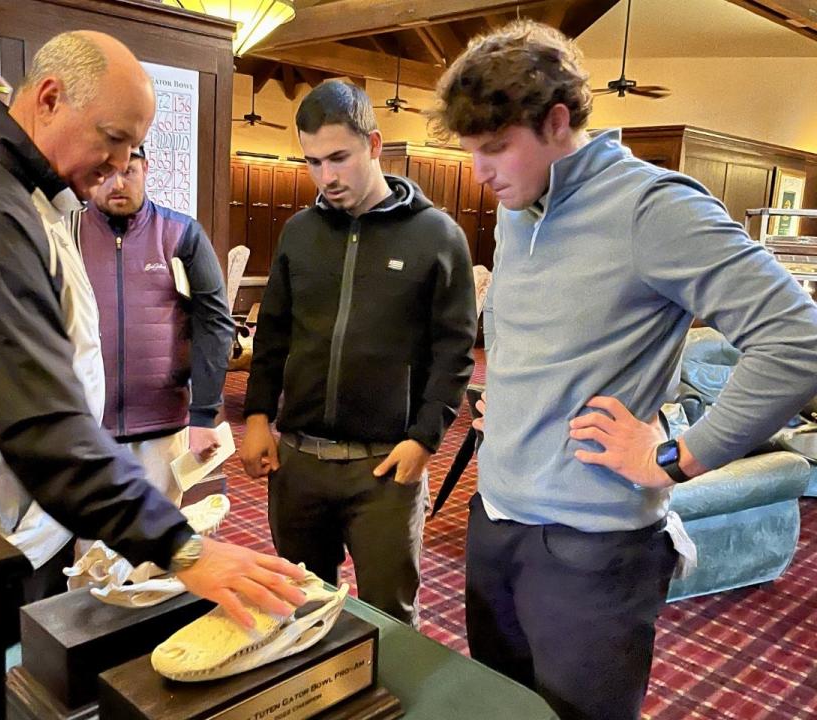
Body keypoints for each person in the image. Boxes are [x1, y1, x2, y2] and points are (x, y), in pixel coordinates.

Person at [429, 19, 817, 720]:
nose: (479, 172)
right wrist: (511, 401)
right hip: (493, 522)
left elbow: (798, 340)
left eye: (494, 149)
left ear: (555, 122)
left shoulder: (654, 208)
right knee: (500, 709)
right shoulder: (521, 207)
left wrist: (675, 455)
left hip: (592, 550)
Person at [0, 30, 305, 627]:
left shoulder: (27, 188)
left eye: (134, 148)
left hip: (34, 513)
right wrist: (181, 547)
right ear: (49, 98)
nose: (122, 165)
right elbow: (38, 421)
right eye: (113, 139)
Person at [240, 80, 477, 626]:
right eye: (313, 162)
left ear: (373, 145)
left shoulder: (437, 236)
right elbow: (273, 334)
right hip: (297, 463)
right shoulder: (300, 233)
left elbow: (455, 352)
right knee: (298, 607)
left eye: (339, 158)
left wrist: (425, 439)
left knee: (389, 618)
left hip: (385, 468)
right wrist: (255, 416)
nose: (327, 177)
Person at [75, 144, 235, 504]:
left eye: (128, 171)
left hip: (161, 427)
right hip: (86, 428)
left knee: (158, 550)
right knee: (90, 552)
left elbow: (215, 324)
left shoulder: (181, 234)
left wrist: (204, 415)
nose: (117, 183)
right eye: (105, 172)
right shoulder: (67, 234)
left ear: (146, 168)